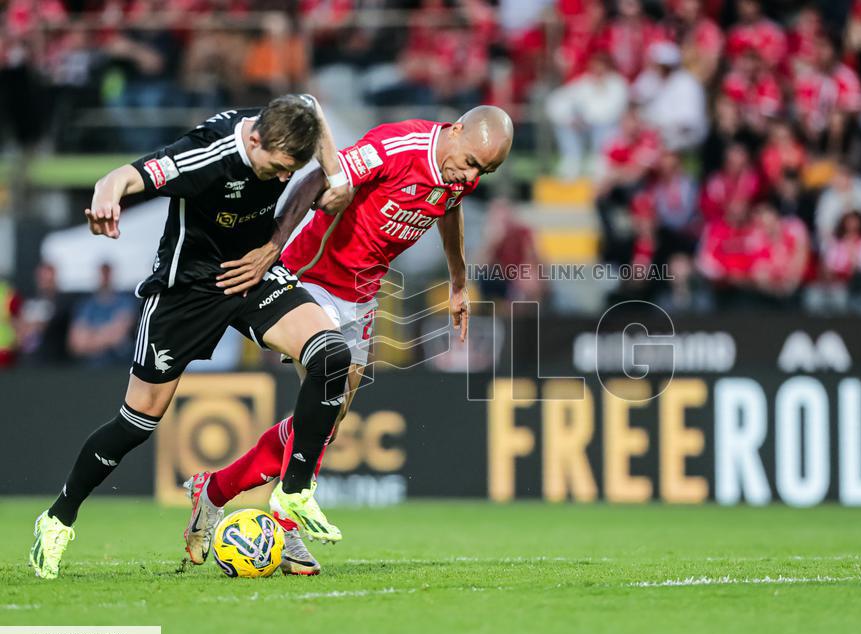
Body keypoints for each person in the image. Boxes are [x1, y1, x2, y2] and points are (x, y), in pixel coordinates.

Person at [30, 95, 354, 580]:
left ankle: (294, 490)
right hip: (187, 293)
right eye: (279, 168)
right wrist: (105, 195)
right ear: (254, 139)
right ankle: (57, 518)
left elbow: (310, 103)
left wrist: (335, 174)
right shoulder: (205, 155)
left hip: (251, 276)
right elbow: (124, 176)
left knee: (332, 354)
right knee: (136, 424)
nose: (285, 179)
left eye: (293, 170)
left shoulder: (285, 127)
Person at [183, 106, 514, 575]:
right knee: (323, 401)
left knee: (326, 423)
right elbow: (320, 176)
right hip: (309, 278)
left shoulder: (461, 170)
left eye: (485, 171)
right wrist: (272, 248)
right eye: (474, 162)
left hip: (360, 293)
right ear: (457, 129)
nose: (472, 174)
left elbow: (450, 208)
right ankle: (287, 523)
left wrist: (459, 281)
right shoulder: (398, 147)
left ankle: (213, 490)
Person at [67, 263, 137, 367]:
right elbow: (76, 343)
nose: (104, 278)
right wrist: (105, 334)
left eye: (107, 274)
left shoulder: (125, 301)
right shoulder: (86, 305)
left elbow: (118, 336)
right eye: (102, 274)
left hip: (119, 367)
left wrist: (91, 336)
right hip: (89, 369)